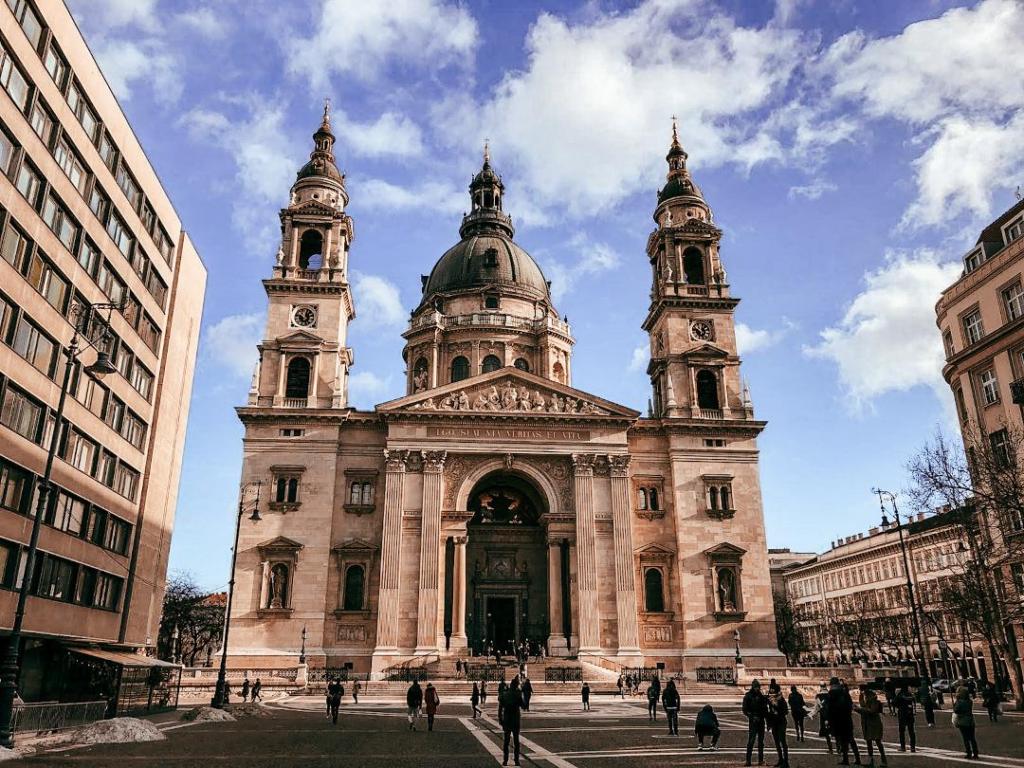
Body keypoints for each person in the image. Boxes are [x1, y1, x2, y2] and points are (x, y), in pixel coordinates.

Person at [827, 678, 861, 766]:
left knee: (842, 740)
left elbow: (830, 709)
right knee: (851, 739)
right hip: (846, 719)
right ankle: (857, 758)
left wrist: (829, 721)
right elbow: (850, 705)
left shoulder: (831, 694)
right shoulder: (844, 692)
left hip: (837, 720)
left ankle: (846, 759)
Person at [855, 687, 886, 767]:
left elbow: (871, 711)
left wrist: (859, 709)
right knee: (869, 742)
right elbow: (863, 707)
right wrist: (857, 707)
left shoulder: (874, 701)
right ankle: (871, 761)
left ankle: (883, 760)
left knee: (877, 741)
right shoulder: (867, 700)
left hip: (873, 724)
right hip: (867, 723)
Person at [743, 680, 769, 767]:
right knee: (751, 741)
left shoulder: (761, 696)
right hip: (753, 721)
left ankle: (760, 760)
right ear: (753, 687)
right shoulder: (748, 696)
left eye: (758, 687)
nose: (757, 688)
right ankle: (748, 760)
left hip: (761, 721)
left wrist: (767, 721)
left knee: (761, 742)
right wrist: (751, 716)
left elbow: (765, 709)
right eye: (756, 687)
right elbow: (745, 709)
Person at [501, 677, 525, 766]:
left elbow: (501, 706)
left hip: (507, 719)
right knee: (516, 741)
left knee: (506, 741)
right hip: (515, 720)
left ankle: (505, 760)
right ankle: (516, 760)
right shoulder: (517, 694)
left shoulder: (505, 694)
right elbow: (523, 705)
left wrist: (500, 719)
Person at [953, 686, 979, 759]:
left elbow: (956, 710)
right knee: (972, 738)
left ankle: (968, 753)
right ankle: (975, 753)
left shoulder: (959, 702)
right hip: (970, 721)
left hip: (963, 721)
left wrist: (955, 703)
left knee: (966, 738)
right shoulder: (969, 701)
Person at [769, 693, 790, 768]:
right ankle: (780, 759)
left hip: (781, 723)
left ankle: (786, 762)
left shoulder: (782, 701)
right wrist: (769, 724)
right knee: (777, 743)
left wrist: (776, 706)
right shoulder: (771, 701)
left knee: (783, 742)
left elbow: (785, 712)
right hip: (774, 723)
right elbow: (770, 713)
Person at [812, 682, 833, 754]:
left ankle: (830, 748)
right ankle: (839, 747)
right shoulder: (830, 694)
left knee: (827, 733)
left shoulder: (818, 696)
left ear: (820, 687)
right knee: (835, 731)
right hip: (832, 715)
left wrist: (811, 714)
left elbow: (816, 708)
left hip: (824, 716)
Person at [894, 685, 916, 753]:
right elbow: (914, 702)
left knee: (902, 731)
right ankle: (913, 747)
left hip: (902, 714)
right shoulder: (910, 695)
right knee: (911, 731)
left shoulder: (900, 695)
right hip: (910, 714)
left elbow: (894, 703)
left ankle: (903, 747)